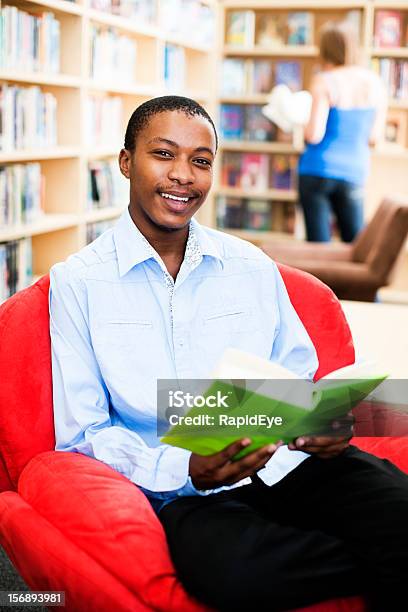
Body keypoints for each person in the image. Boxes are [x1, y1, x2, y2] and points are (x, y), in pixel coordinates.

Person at [50, 96, 407, 612]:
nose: (183, 176)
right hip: (189, 488)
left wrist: (323, 422)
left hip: (291, 461)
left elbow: (296, 375)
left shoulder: (250, 265)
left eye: (200, 161)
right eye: (164, 154)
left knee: (399, 510)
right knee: (234, 577)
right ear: (126, 162)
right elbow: (81, 435)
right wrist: (185, 468)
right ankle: (382, 553)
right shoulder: (78, 283)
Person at [298, 21, 387, 242]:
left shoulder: (324, 81)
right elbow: (374, 138)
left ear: (325, 49)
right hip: (354, 172)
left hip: (317, 169)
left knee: (318, 247)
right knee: (354, 244)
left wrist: (298, 124)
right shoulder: (375, 82)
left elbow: (314, 134)